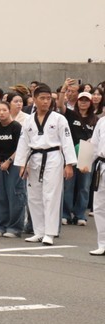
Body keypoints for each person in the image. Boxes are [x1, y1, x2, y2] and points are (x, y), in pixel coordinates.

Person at [14, 85, 76, 246]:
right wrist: (22, 164)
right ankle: (39, 231)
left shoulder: (58, 119)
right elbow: (23, 143)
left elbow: (67, 141)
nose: (46, 101)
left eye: (48, 98)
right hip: (34, 158)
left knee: (51, 196)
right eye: (42, 98)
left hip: (53, 157)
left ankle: (50, 233)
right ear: (34, 99)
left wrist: (69, 164)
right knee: (34, 196)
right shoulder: (28, 120)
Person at [0, 100, 25, 237]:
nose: (1, 113)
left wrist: (9, 161)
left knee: (15, 195)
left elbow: (21, 147)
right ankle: (1, 226)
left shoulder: (16, 127)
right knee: (0, 196)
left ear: (9, 111)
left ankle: (14, 228)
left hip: (14, 165)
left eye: (4, 110)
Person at [62, 92, 96, 226]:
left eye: (86, 100)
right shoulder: (71, 115)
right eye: (81, 100)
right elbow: (60, 105)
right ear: (77, 101)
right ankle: (65, 214)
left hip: (87, 153)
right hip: (71, 153)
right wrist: (64, 90)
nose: (83, 102)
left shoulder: (95, 119)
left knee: (84, 186)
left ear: (91, 103)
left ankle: (80, 214)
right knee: (68, 185)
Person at [89, 114, 105, 256]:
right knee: (99, 207)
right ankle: (102, 243)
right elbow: (94, 145)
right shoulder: (102, 121)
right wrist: (85, 163)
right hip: (102, 165)